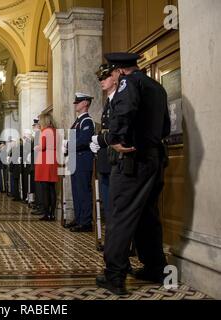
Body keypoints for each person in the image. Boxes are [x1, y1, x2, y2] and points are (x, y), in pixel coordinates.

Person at [94, 52, 171, 295]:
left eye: (112, 73)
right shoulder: (156, 87)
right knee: (148, 214)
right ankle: (155, 267)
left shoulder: (130, 82)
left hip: (132, 161)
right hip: (155, 158)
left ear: (118, 70)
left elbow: (125, 110)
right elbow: (166, 126)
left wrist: (115, 139)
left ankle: (114, 275)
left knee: (120, 215)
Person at [90, 64, 119, 222]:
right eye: (100, 78)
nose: (102, 81)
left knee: (113, 199)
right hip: (106, 155)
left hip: (115, 153)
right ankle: (111, 236)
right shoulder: (109, 101)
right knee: (107, 198)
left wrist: (101, 139)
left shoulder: (119, 99)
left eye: (105, 77)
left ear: (115, 78)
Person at [65, 93, 95, 232]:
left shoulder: (87, 121)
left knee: (83, 190)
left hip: (83, 159)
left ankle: (86, 221)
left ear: (85, 103)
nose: (76, 104)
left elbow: (84, 140)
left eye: (78, 102)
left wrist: (68, 145)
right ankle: (78, 218)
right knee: (76, 191)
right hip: (75, 159)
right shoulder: (77, 121)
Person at [34, 114, 59, 221]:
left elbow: (42, 146)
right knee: (52, 188)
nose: (39, 123)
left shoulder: (46, 131)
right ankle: (52, 213)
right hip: (53, 160)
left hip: (45, 161)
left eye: (40, 121)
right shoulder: (55, 131)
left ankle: (46, 213)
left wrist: (36, 147)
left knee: (45, 189)